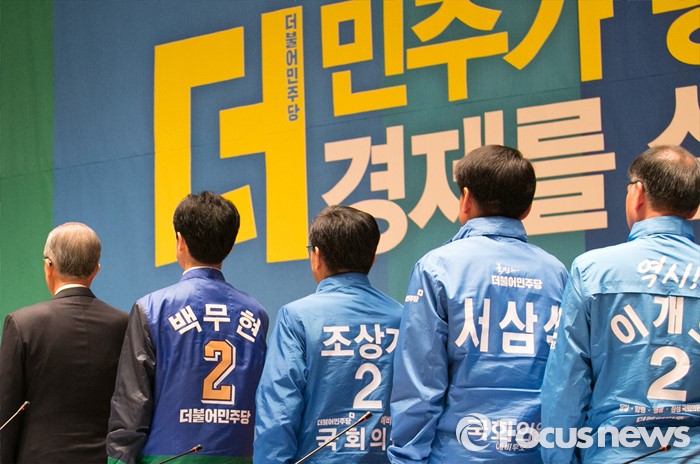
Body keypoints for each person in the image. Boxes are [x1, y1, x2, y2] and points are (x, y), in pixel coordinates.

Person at [388, 145, 568, 463]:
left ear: (466, 198)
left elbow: (419, 383)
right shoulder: (556, 273)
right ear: (527, 207)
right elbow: (567, 379)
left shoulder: (437, 267)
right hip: (536, 453)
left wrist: (406, 458)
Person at [540, 145, 700, 463]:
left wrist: (558, 458)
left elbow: (566, 387)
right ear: (694, 207)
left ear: (637, 193)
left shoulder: (593, 270)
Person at [106, 192, 268, 464]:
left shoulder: (151, 308)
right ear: (230, 247)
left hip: (168, 458)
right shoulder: (256, 314)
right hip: (237, 457)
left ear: (180, 240)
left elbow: (132, 403)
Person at [254, 205, 403, 464]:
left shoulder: (297, 317)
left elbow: (278, 412)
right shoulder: (403, 317)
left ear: (316, 256)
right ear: (372, 258)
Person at [0, 222, 128, 464]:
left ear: (49, 266)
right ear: (96, 270)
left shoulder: (22, 324)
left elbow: (7, 412)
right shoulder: (125, 325)